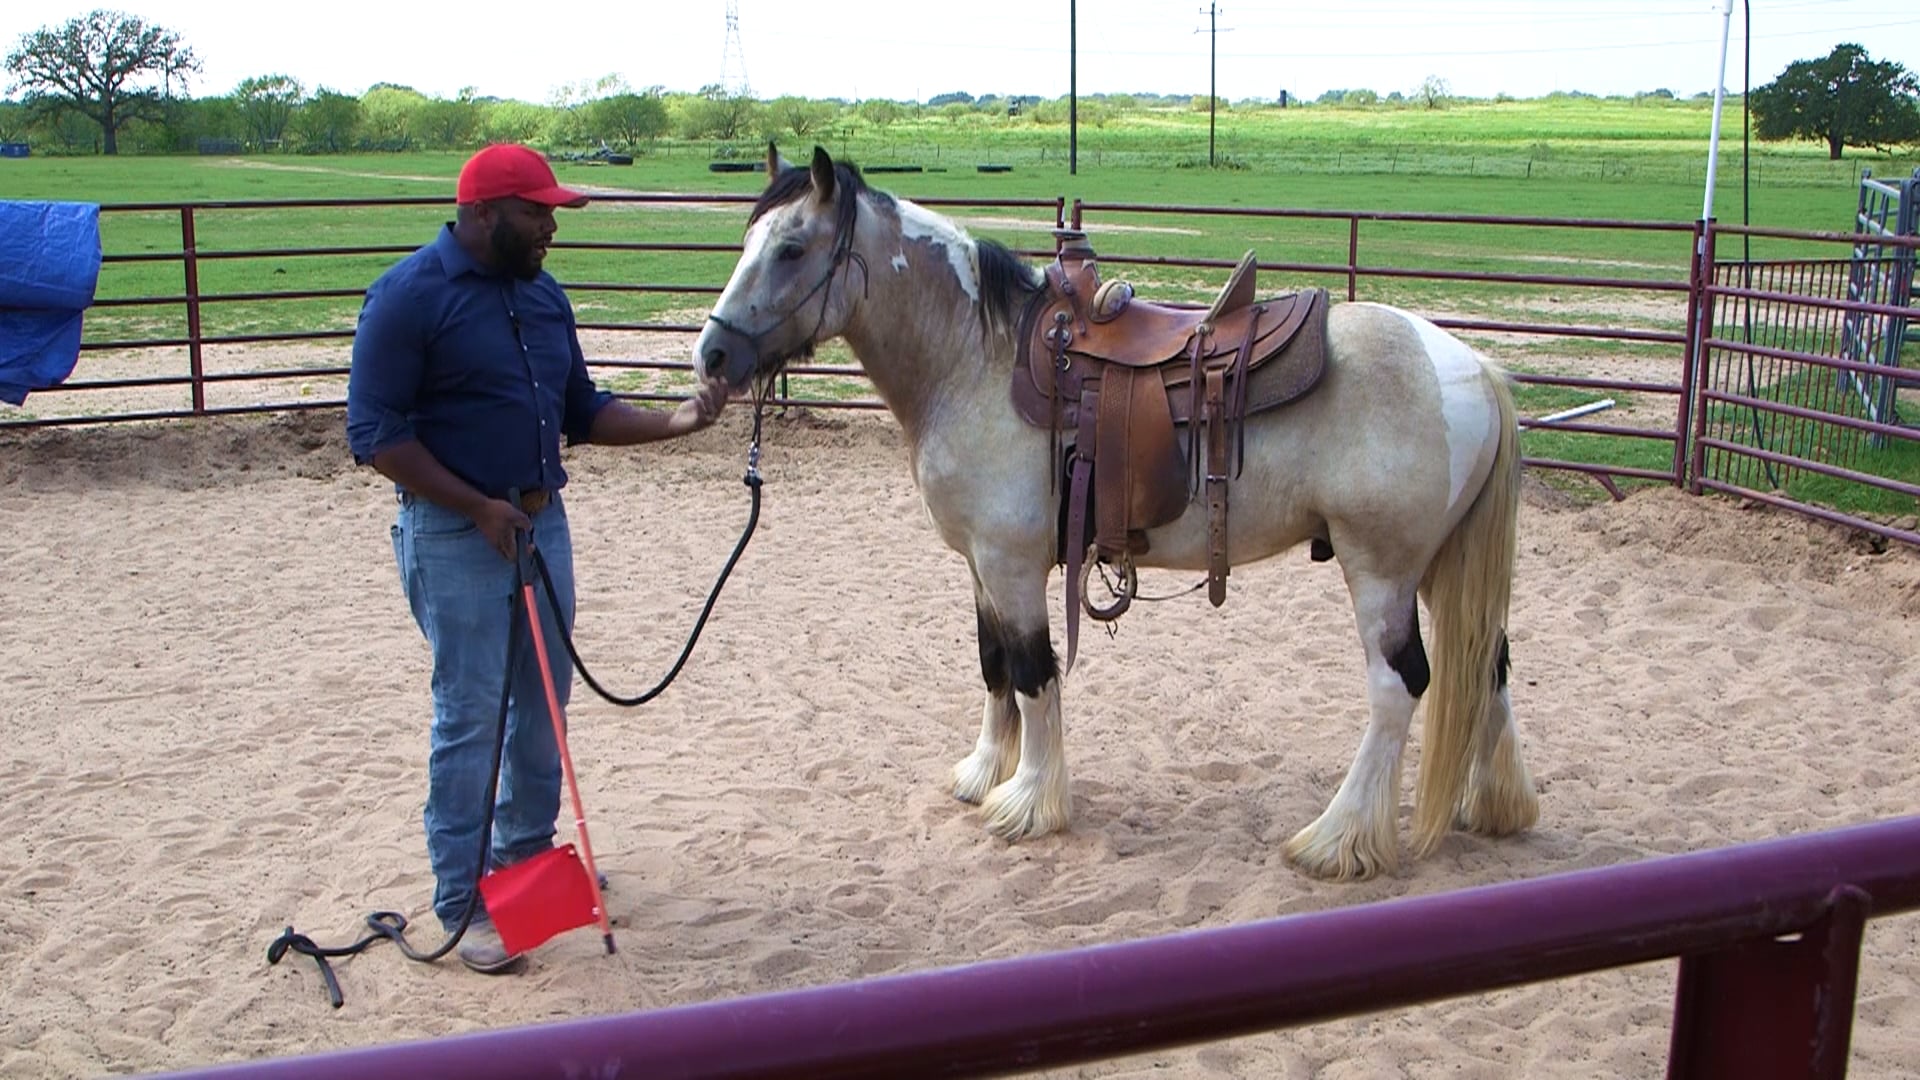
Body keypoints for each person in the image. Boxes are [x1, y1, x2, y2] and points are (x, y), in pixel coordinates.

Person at [346, 143, 729, 975]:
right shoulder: (408, 298)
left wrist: (677, 424)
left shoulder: (543, 297)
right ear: (483, 213)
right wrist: (473, 505)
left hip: (538, 526)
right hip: (456, 536)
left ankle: (526, 867)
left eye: (553, 211)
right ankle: (461, 901)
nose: (551, 225)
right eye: (537, 211)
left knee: (542, 709)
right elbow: (376, 434)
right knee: (470, 717)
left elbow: (580, 411)